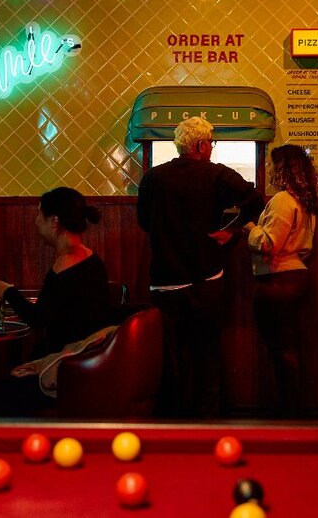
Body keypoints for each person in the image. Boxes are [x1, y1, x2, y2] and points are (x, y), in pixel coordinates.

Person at [137, 116, 264, 417]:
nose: (211, 149)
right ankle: (208, 420)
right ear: (201, 145)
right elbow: (255, 200)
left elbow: (144, 222)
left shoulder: (153, 178)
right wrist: (231, 231)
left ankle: (172, 420)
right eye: (211, 143)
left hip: (165, 282)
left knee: (172, 356)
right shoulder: (216, 174)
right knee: (207, 354)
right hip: (205, 280)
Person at [0, 187, 111, 359]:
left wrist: (7, 292)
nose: (36, 221)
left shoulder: (66, 264)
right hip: (88, 360)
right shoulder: (90, 258)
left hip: (68, 368)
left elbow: (37, 319)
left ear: (54, 221)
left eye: (39, 214)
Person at [243, 144, 318, 417]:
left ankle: (289, 411)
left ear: (283, 169)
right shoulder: (305, 200)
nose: (271, 170)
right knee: (289, 346)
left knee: (280, 348)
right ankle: (293, 408)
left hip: (277, 280)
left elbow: (268, 244)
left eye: (274, 165)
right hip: (298, 275)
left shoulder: (283, 200)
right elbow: (307, 248)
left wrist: (251, 228)